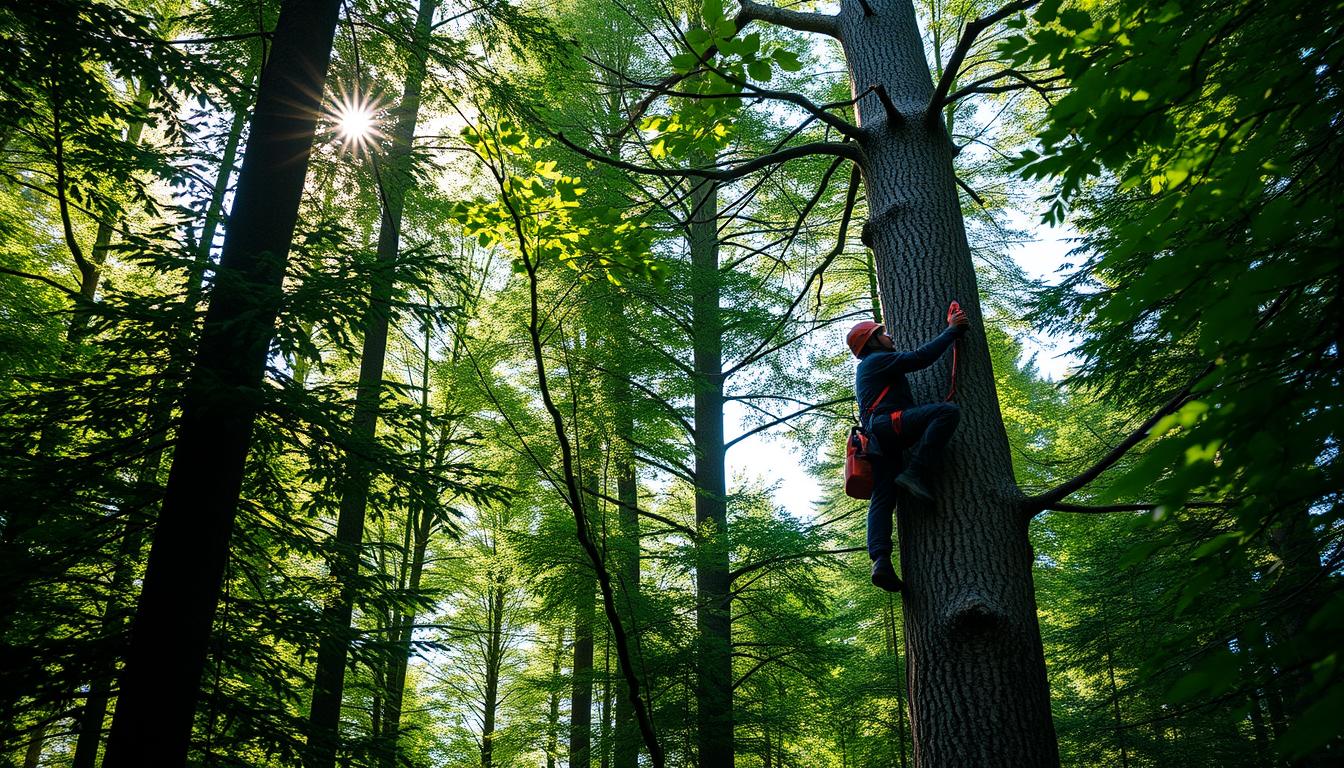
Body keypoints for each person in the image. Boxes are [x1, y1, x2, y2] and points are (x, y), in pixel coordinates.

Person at [847, 308, 969, 592]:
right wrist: (952, 330)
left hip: (881, 437)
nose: (889, 336)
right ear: (872, 342)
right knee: (946, 412)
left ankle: (880, 561)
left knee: (883, 497)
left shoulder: (873, 364)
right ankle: (915, 473)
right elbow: (920, 359)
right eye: (882, 334)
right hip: (889, 426)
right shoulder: (876, 360)